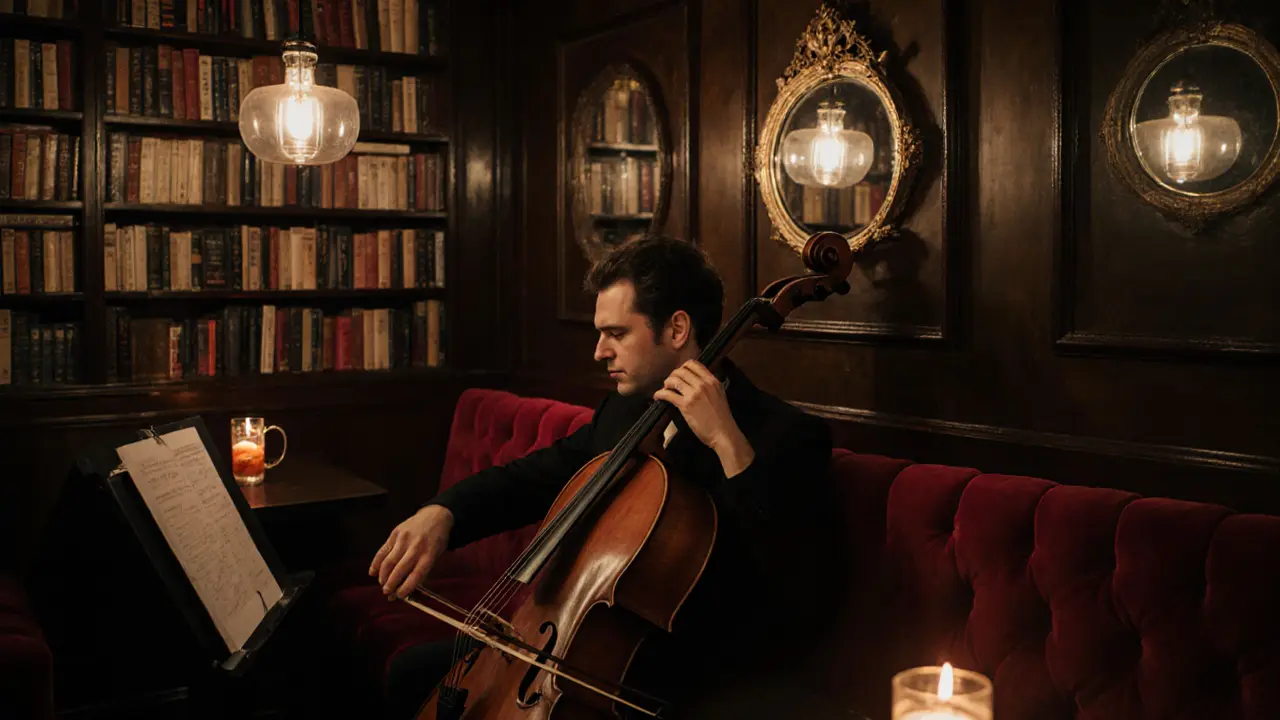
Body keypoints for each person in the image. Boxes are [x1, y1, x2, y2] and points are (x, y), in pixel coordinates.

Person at [369, 234, 834, 719]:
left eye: (616, 333)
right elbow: (534, 477)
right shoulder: (626, 410)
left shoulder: (784, 435)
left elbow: (790, 587)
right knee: (412, 676)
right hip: (577, 653)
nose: (598, 351)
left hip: (677, 678)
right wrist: (443, 513)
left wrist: (728, 443)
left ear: (676, 329)